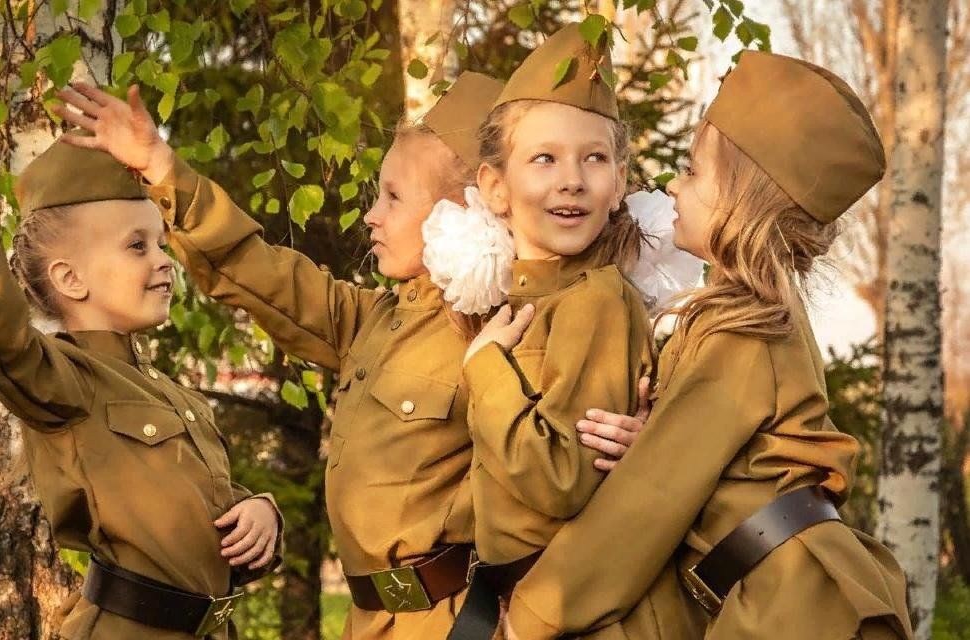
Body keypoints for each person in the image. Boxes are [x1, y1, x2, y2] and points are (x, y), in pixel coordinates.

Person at [54, 74, 517, 640]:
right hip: (370, 621)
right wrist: (159, 166)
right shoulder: (375, 320)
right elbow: (260, 271)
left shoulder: (506, 331)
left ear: (465, 213)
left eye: (394, 197)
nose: (372, 215)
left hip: (458, 622)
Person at [503, 50, 913, 640]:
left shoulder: (744, 328)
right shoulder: (746, 316)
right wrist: (661, 434)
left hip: (794, 603)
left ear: (739, 198)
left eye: (693, 171)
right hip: (776, 590)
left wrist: (534, 615)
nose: (672, 183)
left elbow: (649, 502)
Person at [0, 123, 281, 639]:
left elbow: (198, 503)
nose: (164, 261)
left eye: (161, 243)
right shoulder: (62, 378)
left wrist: (258, 510)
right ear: (71, 279)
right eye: (136, 246)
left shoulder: (174, 394)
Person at [458, 21, 655, 608]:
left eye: (594, 159)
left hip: (558, 604)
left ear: (619, 183)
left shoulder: (596, 299)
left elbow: (561, 478)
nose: (571, 181)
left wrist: (485, 371)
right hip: (511, 598)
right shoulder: (517, 301)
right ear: (495, 187)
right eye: (544, 158)